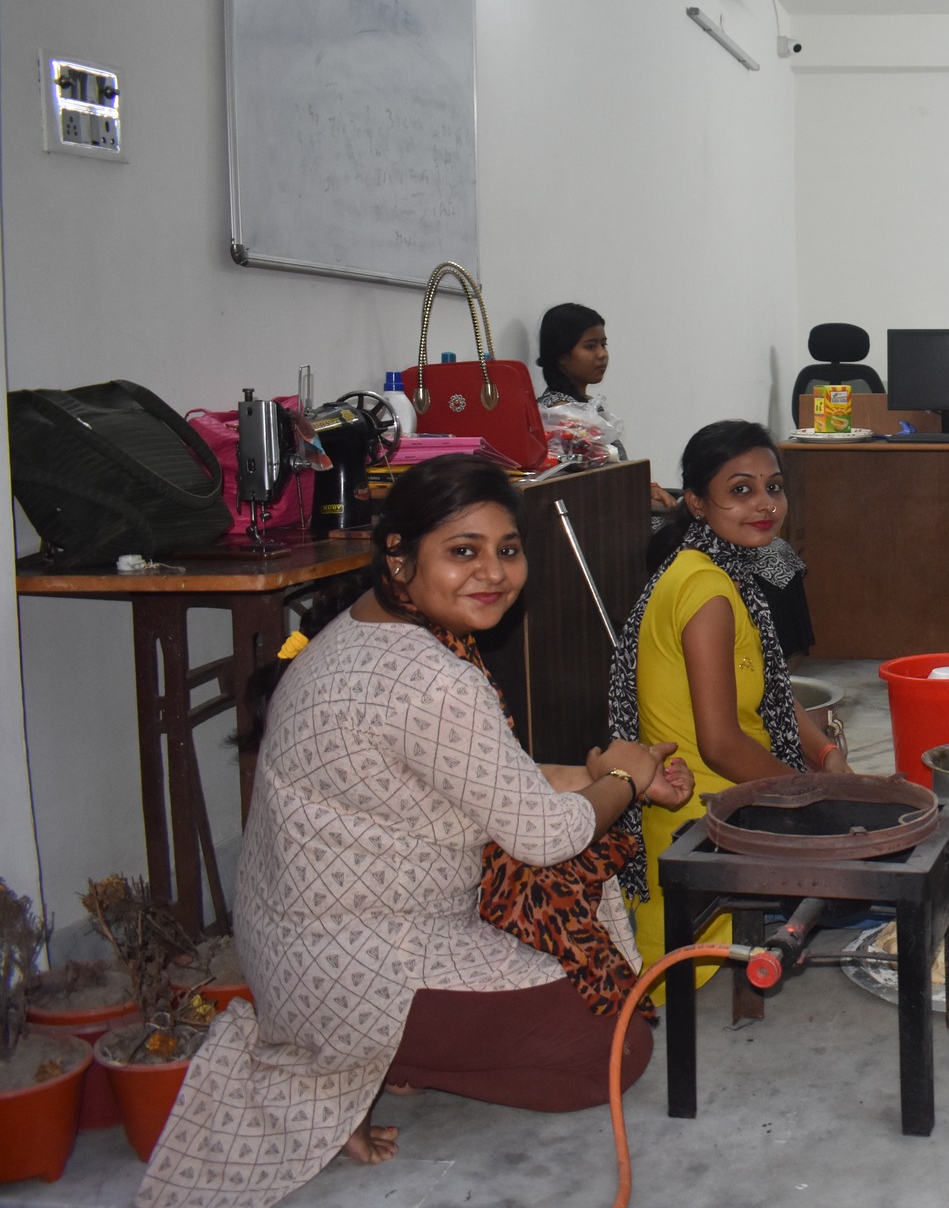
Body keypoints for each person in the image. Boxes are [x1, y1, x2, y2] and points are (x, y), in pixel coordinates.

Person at [138, 455, 693, 1208]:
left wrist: (601, 773)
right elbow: (545, 835)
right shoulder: (433, 677)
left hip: (292, 957)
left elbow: (479, 774)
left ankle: (393, 1054)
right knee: (618, 1048)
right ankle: (379, 1063)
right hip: (367, 972)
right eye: (463, 550)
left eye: (507, 549)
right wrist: (621, 778)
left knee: (572, 940)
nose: (492, 572)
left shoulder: (356, 630)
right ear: (400, 558)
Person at [615, 420, 849, 994]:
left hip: (728, 809)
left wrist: (824, 754)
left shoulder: (720, 571)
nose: (765, 504)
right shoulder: (707, 591)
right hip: (705, 834)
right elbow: (721, 745)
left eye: (774, 487)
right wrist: (812, 797)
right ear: (696, 502)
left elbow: (770, 690)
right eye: (740, 490)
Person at [535, 301, 676, 510]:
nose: (602, 354)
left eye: (603, 344)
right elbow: (597, 489)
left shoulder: (584, 406)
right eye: (590, 346)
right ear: (562, 355)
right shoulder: (560, 414)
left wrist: (647, 487)